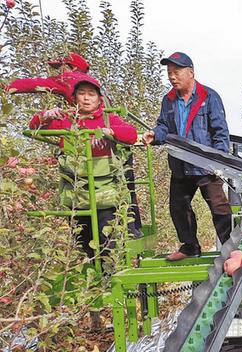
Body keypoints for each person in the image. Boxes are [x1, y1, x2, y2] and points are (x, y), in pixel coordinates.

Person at [29, 75, 138, 258]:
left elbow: (131, 134)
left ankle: (108, 277)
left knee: (107, 241)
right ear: (75, 98)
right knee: (83, 242)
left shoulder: (108, 120)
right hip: (77, 193)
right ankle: (95, 280)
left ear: (99, 99)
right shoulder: (67, 120)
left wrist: (110, 132)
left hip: (105, 193)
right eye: (81, 94)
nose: (86, 98)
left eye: (91, 94)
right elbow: (34, 128)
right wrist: (44, 116)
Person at [142, 52, 231, 261]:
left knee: (219, 207)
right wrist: (155, 135)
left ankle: (230, 247)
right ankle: (190, 246)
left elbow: (220, 131)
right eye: (169, 73)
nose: (172, 77)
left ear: (191, 72)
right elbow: (164, 126)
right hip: (180, 162)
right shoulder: (169, 100)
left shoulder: (209, 97)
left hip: (205, 164)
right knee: (178, 206)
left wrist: (219, 160)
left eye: (177, 72)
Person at [7, 52, 90, 103]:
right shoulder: (92, 82)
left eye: (61, 67)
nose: (60, 72)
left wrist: (8, 87)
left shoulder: (69, 79)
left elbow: (34, 84)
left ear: (74, 67)